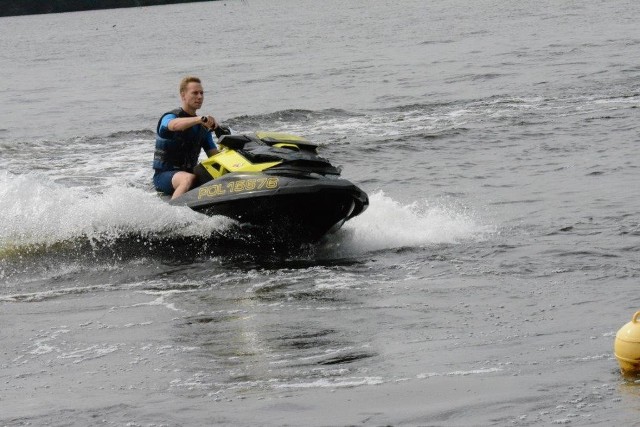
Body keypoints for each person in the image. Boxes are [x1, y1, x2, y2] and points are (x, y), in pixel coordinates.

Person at [153, 76, 220, 199]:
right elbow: (173, 126)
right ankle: (172, 215)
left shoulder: (202, 128)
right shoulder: (169, 117)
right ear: (183, 95)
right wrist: (199, 119)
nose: (200, 97)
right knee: (188, 178)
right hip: (164, 176)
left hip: (189, 172)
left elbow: (215, 156)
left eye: (201, 93)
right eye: (195, 93)